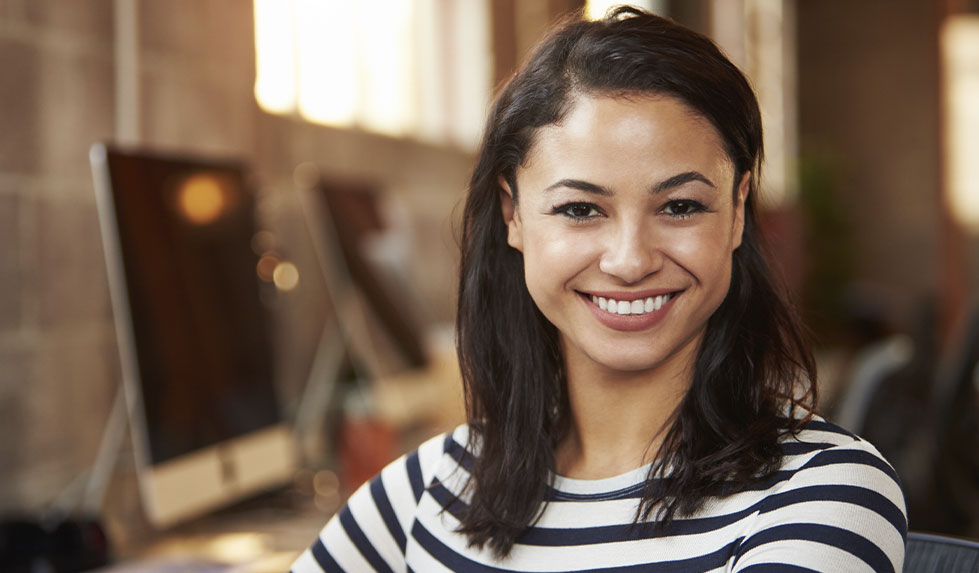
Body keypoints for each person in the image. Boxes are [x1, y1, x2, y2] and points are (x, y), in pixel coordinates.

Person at [291, 7, 907, 572]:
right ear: (514, 216)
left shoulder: (825, 494)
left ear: (738, 210)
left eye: (681, 206)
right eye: (581, 209)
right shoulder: (431, 489)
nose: (631, 260)